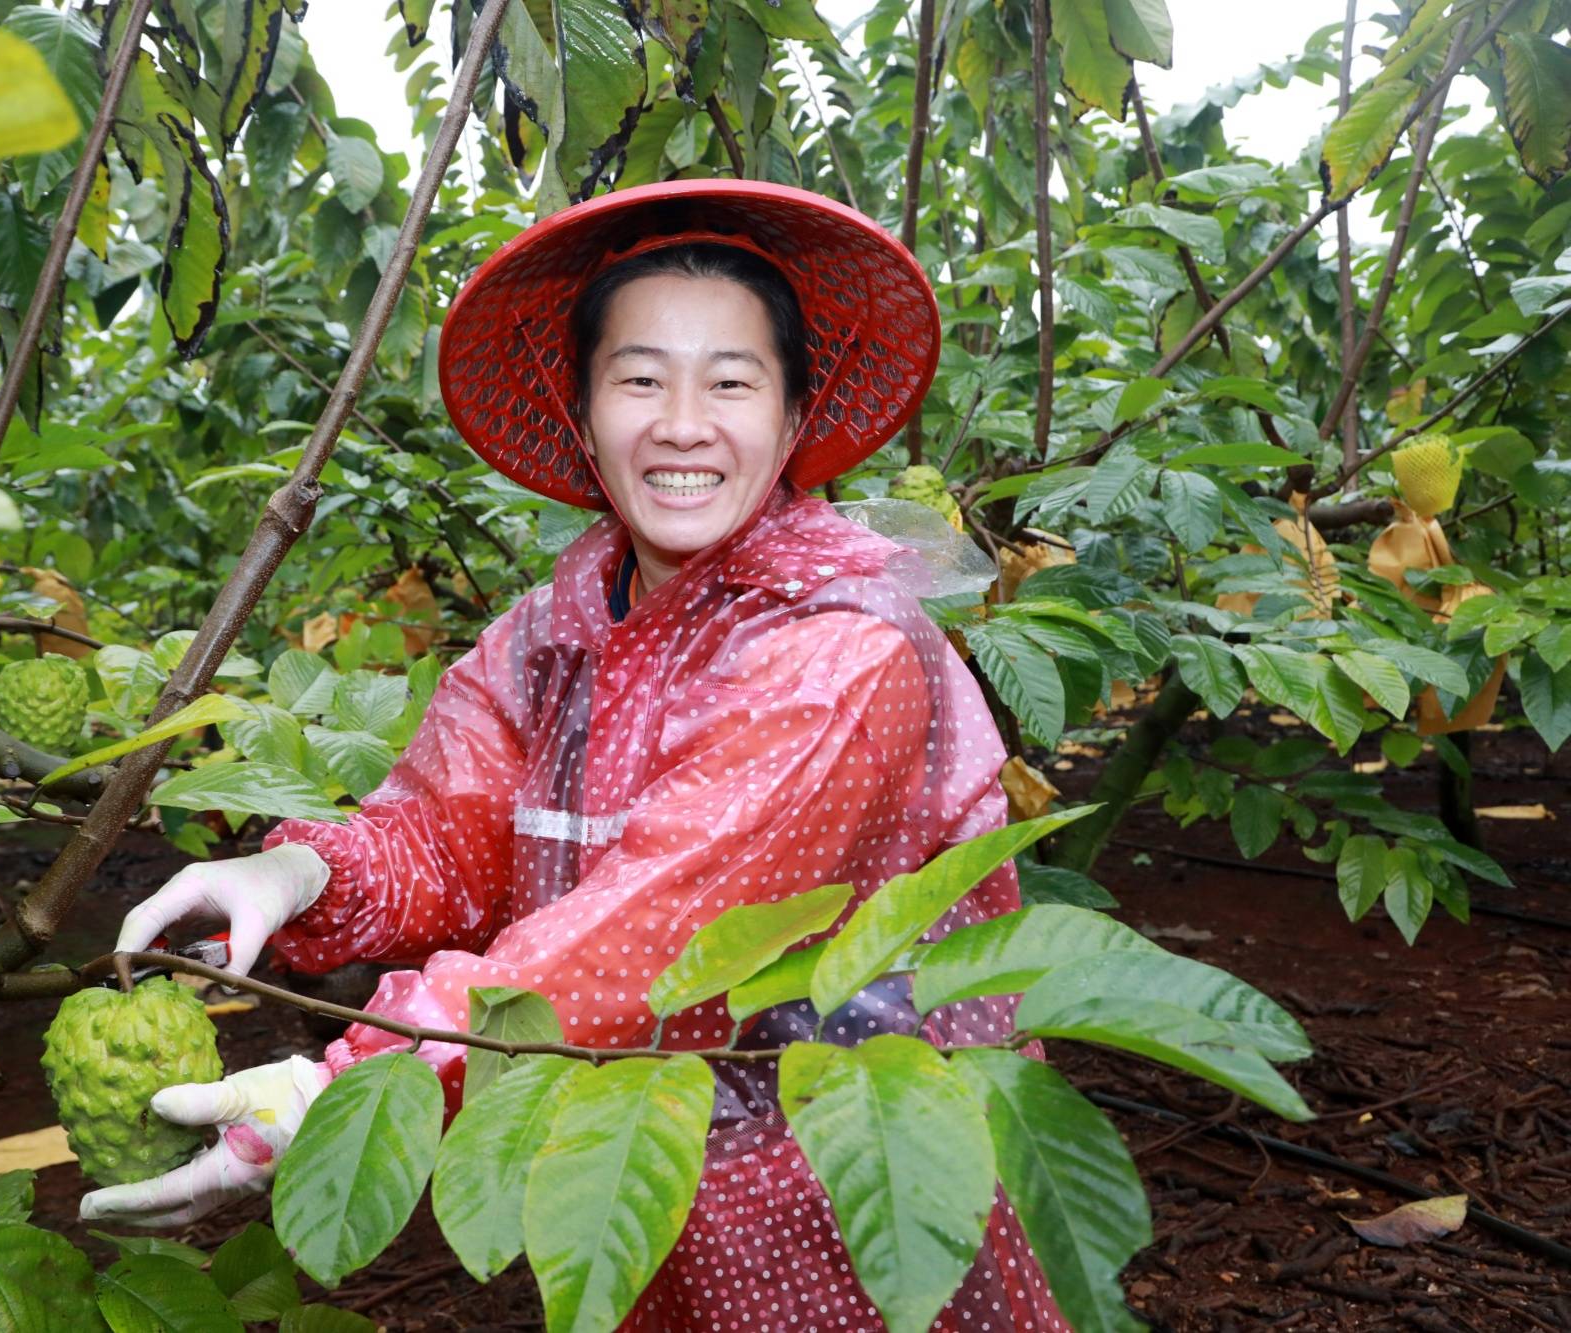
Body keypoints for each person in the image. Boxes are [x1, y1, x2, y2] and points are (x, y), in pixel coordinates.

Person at [83, 181, 1065, 1331]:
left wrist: (345, 1082)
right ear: (584, 410)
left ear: (795, 422)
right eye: (639, 378)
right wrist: (303, 873)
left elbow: (663, 920)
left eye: (731, 382)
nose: (682, 423)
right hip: (627, 1163)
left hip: (852, 1173)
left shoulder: (846, 649)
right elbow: (450, 827)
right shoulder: (555, 632)